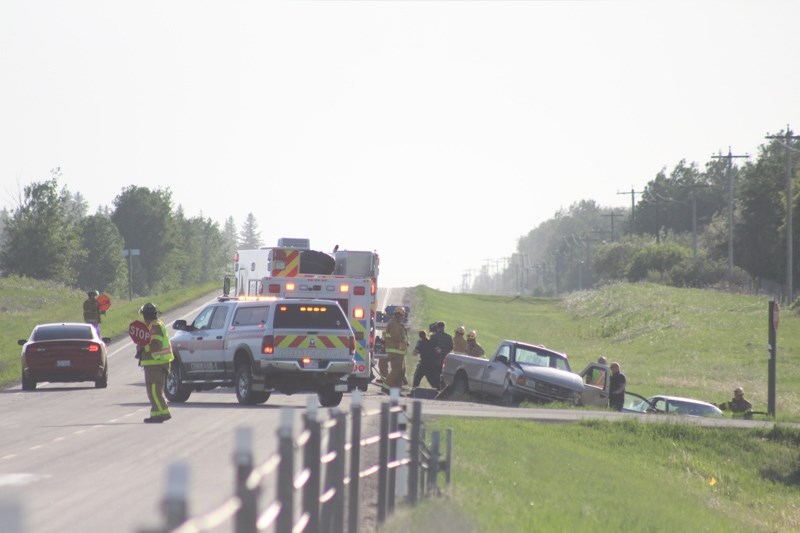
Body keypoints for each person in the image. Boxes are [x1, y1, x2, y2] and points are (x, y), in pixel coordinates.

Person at [138, 303, 175, 423]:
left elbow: (156, 345)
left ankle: (164, 412)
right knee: (152, 390)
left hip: (156, 362)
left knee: (154, 389)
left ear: (145, 315)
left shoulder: (155, 327)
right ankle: (156, 414)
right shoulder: (153, 326)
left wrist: (143, 348)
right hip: (153, 363)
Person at [382, 306, 409, 390]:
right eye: (402, 316)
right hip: (395, 350)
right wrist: (405, 341)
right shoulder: (394, 324)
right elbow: (396, 336)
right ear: (398, 315)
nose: (403, 317)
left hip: (399, 351)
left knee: (400, 372)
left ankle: (397, 389)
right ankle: (386, 387)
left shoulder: (397, 323)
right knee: (396, 370)